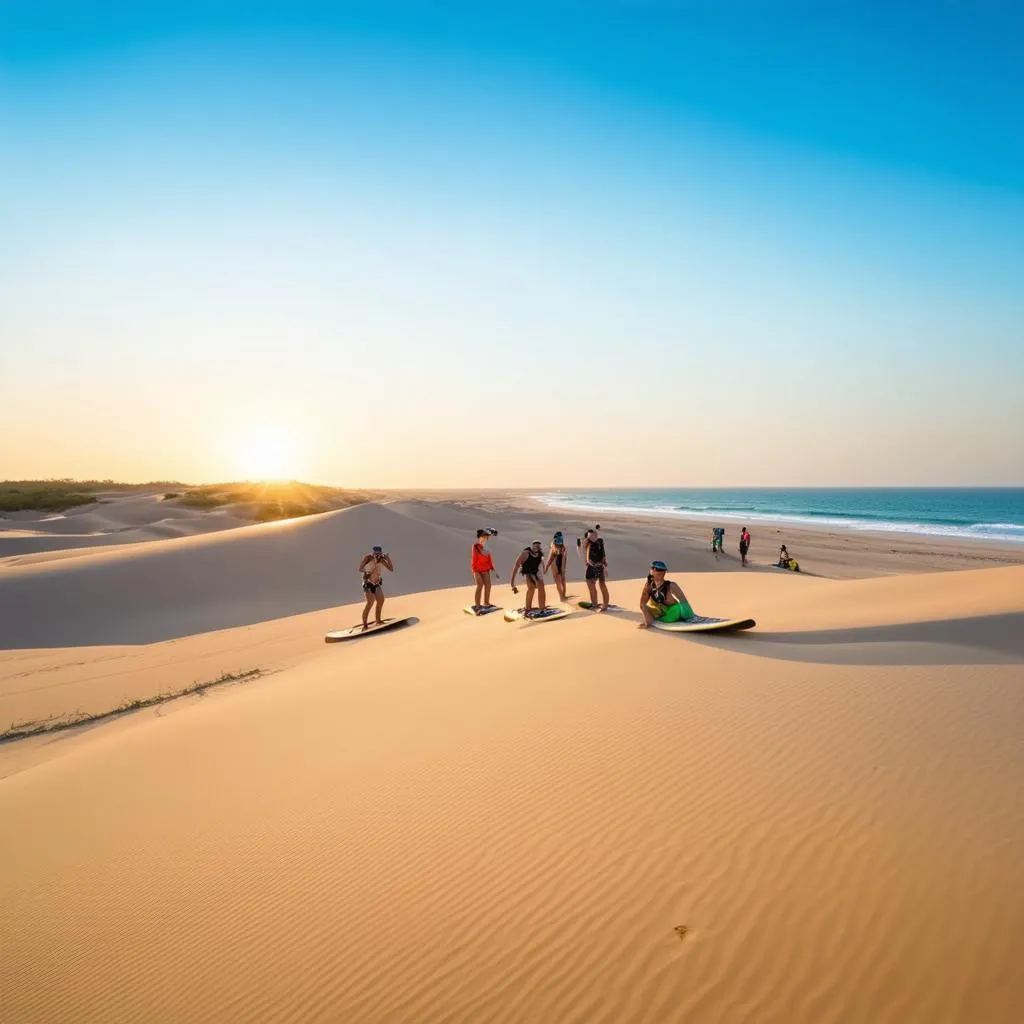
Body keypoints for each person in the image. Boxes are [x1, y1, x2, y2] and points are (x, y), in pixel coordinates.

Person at [638, 560, 694, 629]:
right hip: (660, 612)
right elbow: (642, 605)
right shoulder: (648, 586)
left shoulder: (671, 586)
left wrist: (691, 619)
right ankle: (653, 621)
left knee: (676, 609)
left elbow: (683, 601)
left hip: (672, 613)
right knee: (647, 606)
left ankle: (654, 621)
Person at [358, 545, 394, 628]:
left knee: (381, 600)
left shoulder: (381, 560)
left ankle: (378, 620)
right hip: (368, 583)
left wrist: (388, 558)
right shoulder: (368, 558)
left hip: (376, 583)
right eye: (376, 553)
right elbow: (360, 568)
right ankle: (365, 625)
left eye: (379, 553)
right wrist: (366, 572)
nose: (377, 555)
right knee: (370, 602)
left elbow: (391, 569)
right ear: (373, 552)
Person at [510, 539, 548, 617]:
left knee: (539, 586)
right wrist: (512, 582)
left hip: (535, 572)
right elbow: (516, 565)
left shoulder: (540, 554)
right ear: (532, 545)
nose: (536, 547)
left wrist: (544, 567)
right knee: (532, 588)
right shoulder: (525, 553)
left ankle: (540, 607)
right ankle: (534, 608)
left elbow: (542, 562)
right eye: (535, 545)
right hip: (528, 573)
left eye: (538, 545)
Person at [577, 525, 610, 611]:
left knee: (590, 582)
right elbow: (603, 555)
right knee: (601, 584)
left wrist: (589, 562)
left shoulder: (589, 543)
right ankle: (605, 605)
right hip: (601, 566)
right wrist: (605, 566)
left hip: (593, 567)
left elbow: (587, 556)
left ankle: (594, 604)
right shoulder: (600, 542)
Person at [470, 529, 499, 611]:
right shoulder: (475, 546)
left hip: (485, 569)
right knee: (480, 585)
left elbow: (489, 560)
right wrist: (489, 533)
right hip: (477, 569)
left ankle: (486, 603)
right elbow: (481, 553)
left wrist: (493, 570)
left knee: (488, 585)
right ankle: (477, 605)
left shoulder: (486, 548)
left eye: (486, 537)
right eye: (483, 537)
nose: (484, 539)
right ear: (479, 537)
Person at [545, 531, 569, 601]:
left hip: (558, 564)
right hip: (557, 564)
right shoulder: (557, 546)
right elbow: (551, 558)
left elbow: (551, 558)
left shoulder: (555, 546)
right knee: (561, 580)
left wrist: (546, 567)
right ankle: (562, 596)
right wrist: (546, 567)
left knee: (560, 581)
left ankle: (562, 596)